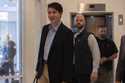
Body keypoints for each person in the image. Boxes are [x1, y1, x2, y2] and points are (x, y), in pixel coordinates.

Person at [35, 2, 73, 83]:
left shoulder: (67, 33)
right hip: (43, 69)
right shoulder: (45, 29)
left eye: (54, 12)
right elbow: (41, 50)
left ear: (60, 13)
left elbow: (68, 58)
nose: (51, 15)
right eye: (49, 12)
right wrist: (38, 69)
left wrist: (66, 79)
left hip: (57, 72)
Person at [73, 14, 100, 83]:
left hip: (86, 73)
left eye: (81, 20)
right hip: (74, 73)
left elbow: (96, 54)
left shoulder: (90, 36)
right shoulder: (73, 36)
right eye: (77, 20)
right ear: (74, 22)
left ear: (84, 22)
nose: (78, 22)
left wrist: (95, 70)